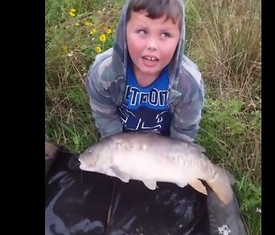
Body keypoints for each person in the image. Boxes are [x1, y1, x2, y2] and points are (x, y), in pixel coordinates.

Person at [85, 0, 205, 143]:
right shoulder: (102, 73)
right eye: (142, 32)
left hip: (165, 150)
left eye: (165, 34)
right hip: (122, 145)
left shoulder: (190, 84)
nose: (152, 45)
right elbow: (107, 122)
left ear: (179, 38)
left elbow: (183, 136)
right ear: (124, 30)